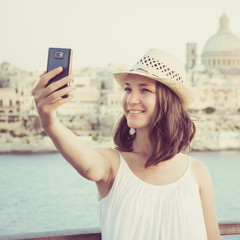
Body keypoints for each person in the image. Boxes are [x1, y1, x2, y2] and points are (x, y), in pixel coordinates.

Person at [32, 48, 221, 239]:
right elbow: (86, 162)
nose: (131, 99)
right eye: (128, 89)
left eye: (145, 90)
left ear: (169, 101)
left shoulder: (197, 172)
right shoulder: (112, 165)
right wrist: (50, 122)